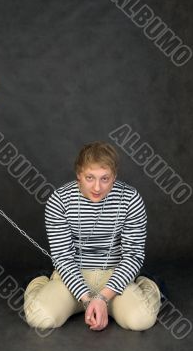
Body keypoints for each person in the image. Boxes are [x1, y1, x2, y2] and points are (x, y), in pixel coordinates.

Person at [24, 142, 161, 332]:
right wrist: (87, 299)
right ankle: (39, 282)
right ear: (79, 175)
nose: (97, 187)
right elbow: (62, 257)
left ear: (114, 177)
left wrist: (103, 297)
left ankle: (146, 284)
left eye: (105, 178)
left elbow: (133, 255)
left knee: (141, 320)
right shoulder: (59, 201)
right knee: (40, 318)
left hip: (114, 275)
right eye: (90, 178)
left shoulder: (131, 199)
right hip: (72, 276)